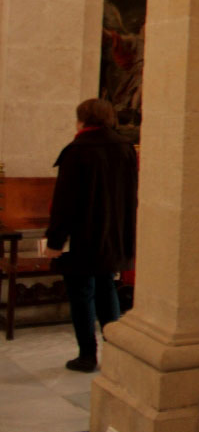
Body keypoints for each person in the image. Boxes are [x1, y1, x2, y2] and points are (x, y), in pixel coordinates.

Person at [44, 98, 138, 373]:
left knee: (81, 294)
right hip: (113, 235)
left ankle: (87, 356)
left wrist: (55, 241)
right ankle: (115, 353)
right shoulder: (125, 147)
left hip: (82, 236)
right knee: (107, 287)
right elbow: (131, 195)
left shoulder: (77, 150)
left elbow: (64, 202)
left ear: (82, 120)